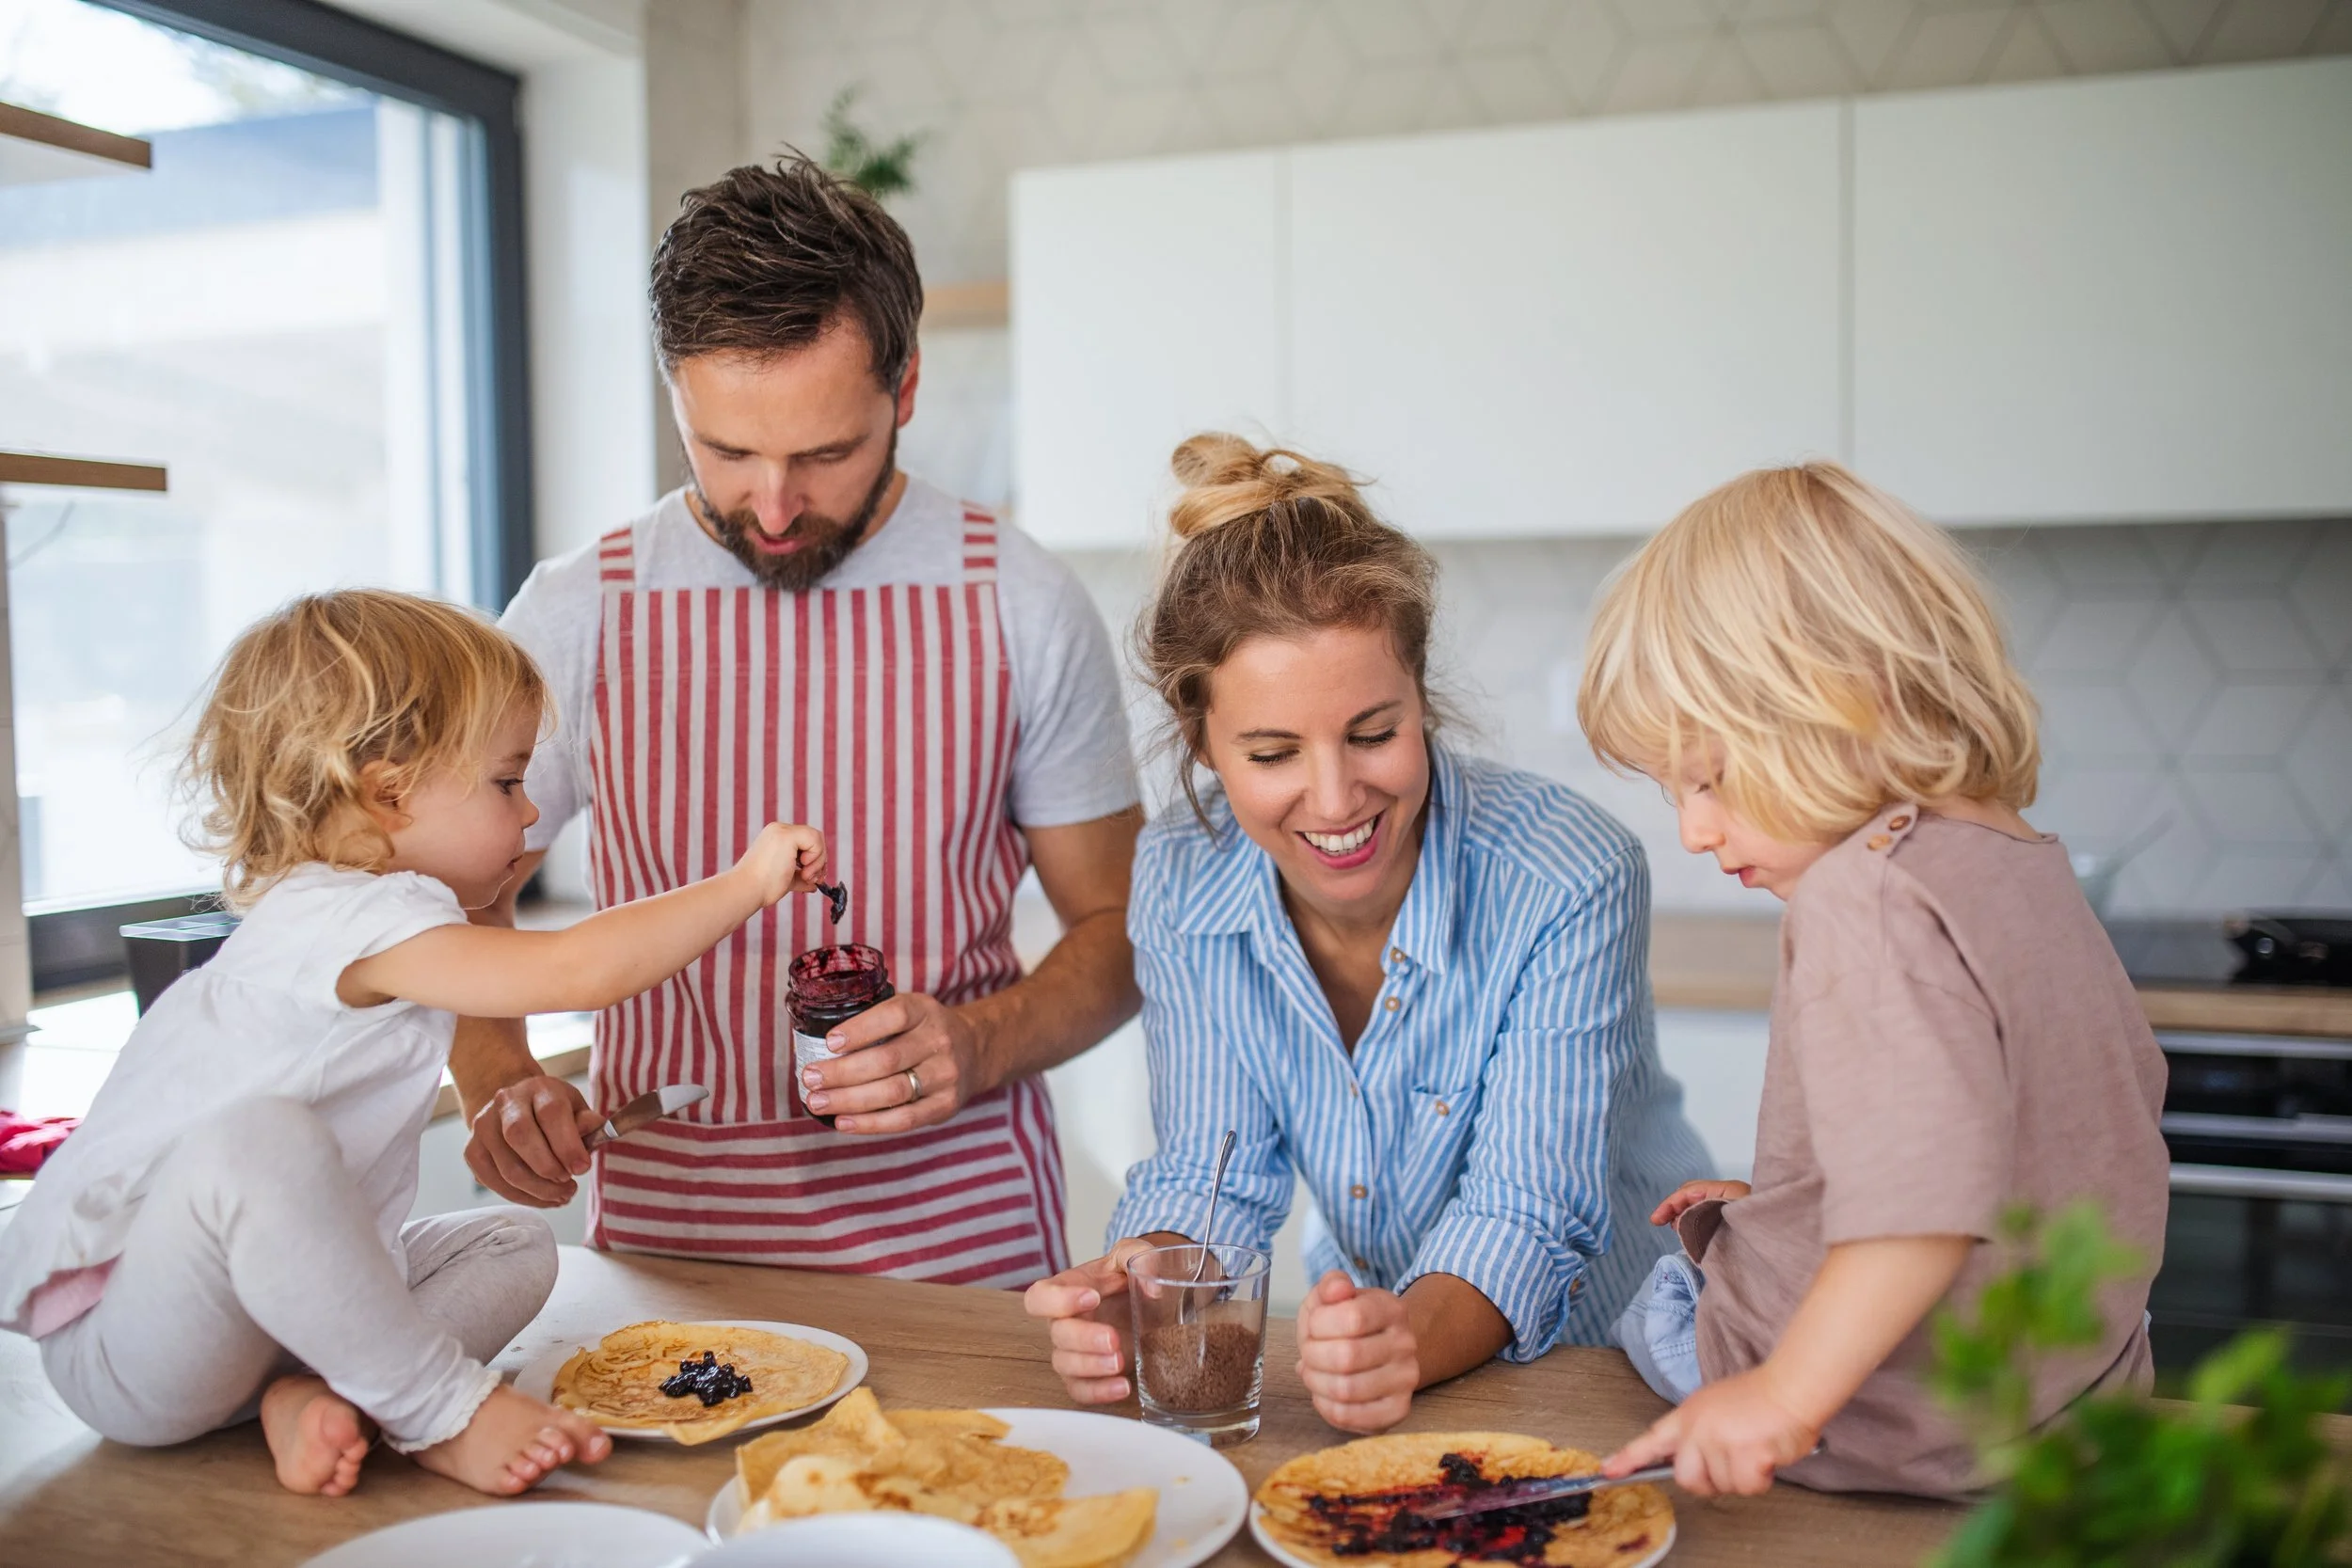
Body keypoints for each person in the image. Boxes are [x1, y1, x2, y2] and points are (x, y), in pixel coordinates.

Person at [455, 156, 1142, 1286]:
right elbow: (458, 894)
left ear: (904, 389)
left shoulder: (1019, 600)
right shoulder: (579, 611)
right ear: (674, 391)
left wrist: (977, 1041)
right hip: (669, 1254)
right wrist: (498, 1077)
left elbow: (1118, 932)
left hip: (965, 1254)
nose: (773, 507)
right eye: (727, 451)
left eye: (825, 454)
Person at [0, 591, 831, 1497]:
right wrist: (747, 882)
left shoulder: (381, 916)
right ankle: (440, 1408)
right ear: (388, 792)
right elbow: (575, 969)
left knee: (514, 1242)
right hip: (137, 1350)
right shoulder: (343, 912)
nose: (531, 811)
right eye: (507, 782)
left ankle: (331, 1398)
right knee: (259, 1140)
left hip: (268, 1328)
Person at [1025, 436, 1711, 1433]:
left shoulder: (1569, 874)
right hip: (1381, 1366)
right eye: (1272, 752)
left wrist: (1402, 1342)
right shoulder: (1180, 872)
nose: (1337, 797)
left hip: (1619, 1366)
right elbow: (1211, 1173)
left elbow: (1526, 1210)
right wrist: (1141, 1291)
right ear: (1201, 740)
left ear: (1419, 695)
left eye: (1374, 733)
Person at [1581, 463, 2169, 1498]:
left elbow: (1919, 1206)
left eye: (1710, 777)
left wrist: (1780, 1398)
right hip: (2064, 1415)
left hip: (1884, 1428)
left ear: (1850, 699)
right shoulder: (2028, 865)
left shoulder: (1863, 893)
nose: (1695, 830)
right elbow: (2035, 1147)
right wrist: (1797, 1201)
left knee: (1651, 1295)